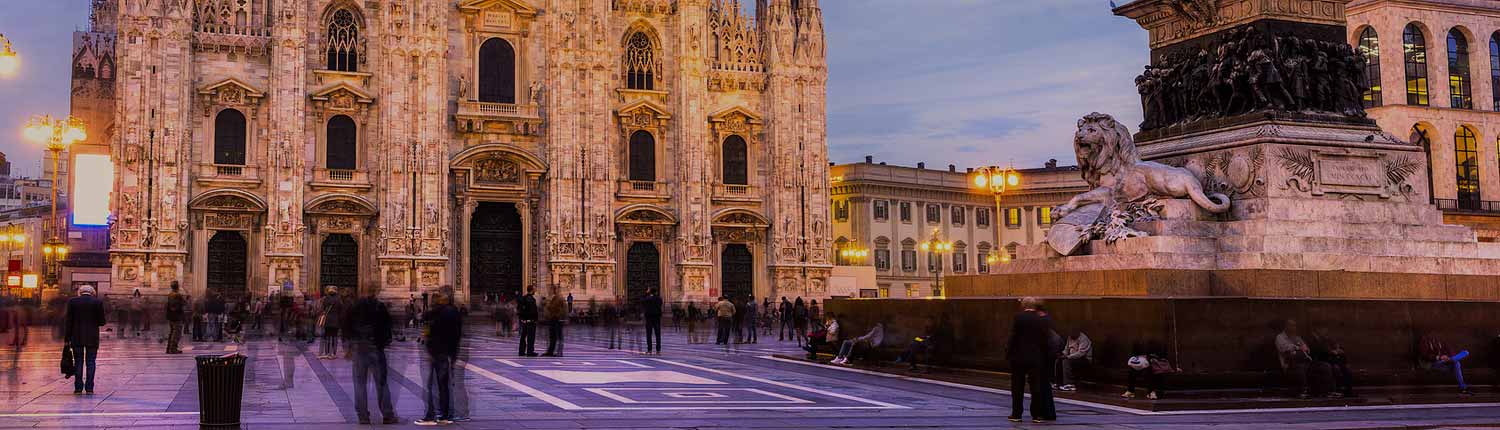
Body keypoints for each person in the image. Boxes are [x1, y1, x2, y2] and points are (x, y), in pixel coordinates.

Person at [345, 289, 398, 424]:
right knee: (381, 383)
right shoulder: (379, 306)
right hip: (376, 348)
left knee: (360, 383)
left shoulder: (354, 307)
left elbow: (346, 326)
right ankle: (387, 414)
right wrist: (384, 342)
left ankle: (363, 416)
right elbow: (387, 326)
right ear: (374, 294)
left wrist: (349, 346)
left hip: (359, 348)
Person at [1006, 297, 1055, 423]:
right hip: (1036, 358)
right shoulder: (1042, 319)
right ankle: (1037, 415)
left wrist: (1008, 352)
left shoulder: (1019, 317)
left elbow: (1014, 336)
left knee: (1017, 387)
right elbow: (1045, 340)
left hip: (1019, 358)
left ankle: (1016, 414)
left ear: (1024, 305)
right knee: (1036, 387)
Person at [417, 292, 462, 426]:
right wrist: (453, 354)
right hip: (447, 352)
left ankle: (430, 416)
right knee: (444, 386)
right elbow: (457, 334)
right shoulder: (454, 312)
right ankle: (445, 415)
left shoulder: (434, 314)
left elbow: (427, 330)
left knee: (430, 385)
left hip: (435, 353)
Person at [64, 286, 106, 394]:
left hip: (76, 336)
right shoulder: (97, 302)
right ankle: (89, 388)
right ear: (92, 292)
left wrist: (67, 338)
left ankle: (78, 388)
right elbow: (102, 322)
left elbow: (69, 321)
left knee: (78, 362)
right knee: (91, 362)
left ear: (80, 292)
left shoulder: (72, 302)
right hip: (92, 337)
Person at [1276, 319, 1333, 398]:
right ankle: (1303, 392)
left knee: (1325, 366)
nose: (1293, 327)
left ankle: (1326, 391)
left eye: (1294, 325)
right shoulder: (1280, 337)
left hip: (1305, 361)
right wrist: (1298, 348)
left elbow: (1306, 349)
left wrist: (1298, 349)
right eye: (1290, 325)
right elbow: (1286, 349)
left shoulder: (1297, 337)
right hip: (1290, 364)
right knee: (1300, 368)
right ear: (1285, 326)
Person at [1309, 327, 1354, 397]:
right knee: (1333, 368)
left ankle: (1348, 391)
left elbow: (1337, 346)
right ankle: (1332, 391)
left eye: (1325, 330)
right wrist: (1331, 352)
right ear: (1318, 330)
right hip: (1319, 362)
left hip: (1332, 360)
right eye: (1323, 329)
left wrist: (1338, 349)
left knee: (1347, 368)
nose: (1325, 331)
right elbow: (1319, 352)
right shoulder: (1314, 340)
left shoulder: (1327, 339)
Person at [318, 287, 343, 359]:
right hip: (336, 321)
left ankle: (327, 352)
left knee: (327, 336)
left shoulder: (325, 299)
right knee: (335, 337)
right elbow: (341, 310)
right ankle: (334, 353)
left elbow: (322, 309)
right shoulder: (338, 300)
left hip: (327, 321)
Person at [542, 291, 567, 357]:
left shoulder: (560, 299)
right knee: (552, 337)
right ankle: (550, 351)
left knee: (559, 337)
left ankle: (559, 352)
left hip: (557, 320)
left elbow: (563, 310)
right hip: (552, 320)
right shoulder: (552, 299)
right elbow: (550, 308)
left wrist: (561, 318)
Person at [165, 282, 186, 354]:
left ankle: (169, 348)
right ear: (177, 287)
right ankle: (173, 349)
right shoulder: (177, 295)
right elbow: (183, 303)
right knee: (176, 333)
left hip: (171, 316)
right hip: (177, 316)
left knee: (171, 333)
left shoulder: (170, 294)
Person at [517, 287, 538, 356]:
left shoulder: (523, 298)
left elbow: (519, 308)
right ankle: (530, 351)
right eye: (534, 289)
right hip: (531, 321)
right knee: (531, 337)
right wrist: (535, 319)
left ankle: (521, 351)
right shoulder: (531, 299)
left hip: (524, 321)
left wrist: (521, 318)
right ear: (531, 290)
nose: (535, 290)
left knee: (523, 336)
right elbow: (533, 311)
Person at [641, 288, 663, 354]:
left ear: (650, 293)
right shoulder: (659, 299)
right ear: (656, 292)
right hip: (657, 318)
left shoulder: (647, 298)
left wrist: (646, 293)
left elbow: (641, 300)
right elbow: (660, 305)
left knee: (649, 334)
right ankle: (658, 350)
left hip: (649, 318)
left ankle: (649, 350)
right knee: (658, 335)